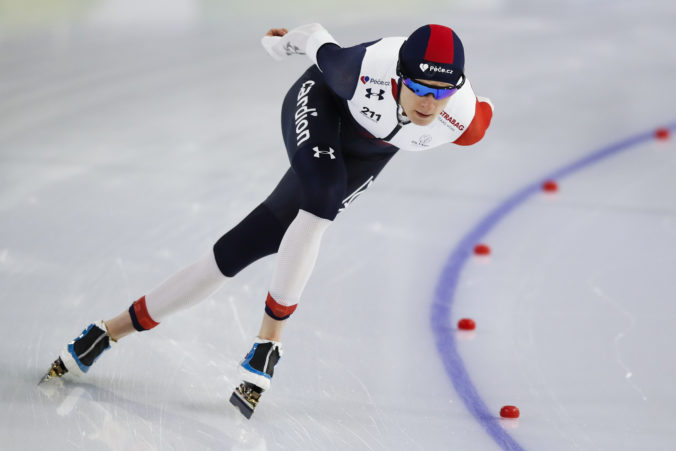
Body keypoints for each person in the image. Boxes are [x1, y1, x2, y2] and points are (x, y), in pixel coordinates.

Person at [41, 23, 494, 417]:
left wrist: (460, 102)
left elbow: (477, 114)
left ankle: (107, 331)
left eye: (442, 93)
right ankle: (268, 344)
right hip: (322, 103)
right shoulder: (357, 68)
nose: (430, 105)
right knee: (323, 195)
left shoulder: (462, 119)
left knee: (246, 244)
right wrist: (285, 44)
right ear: (397, 76)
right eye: (420, 88)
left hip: (365, 155)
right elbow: (317, 36)